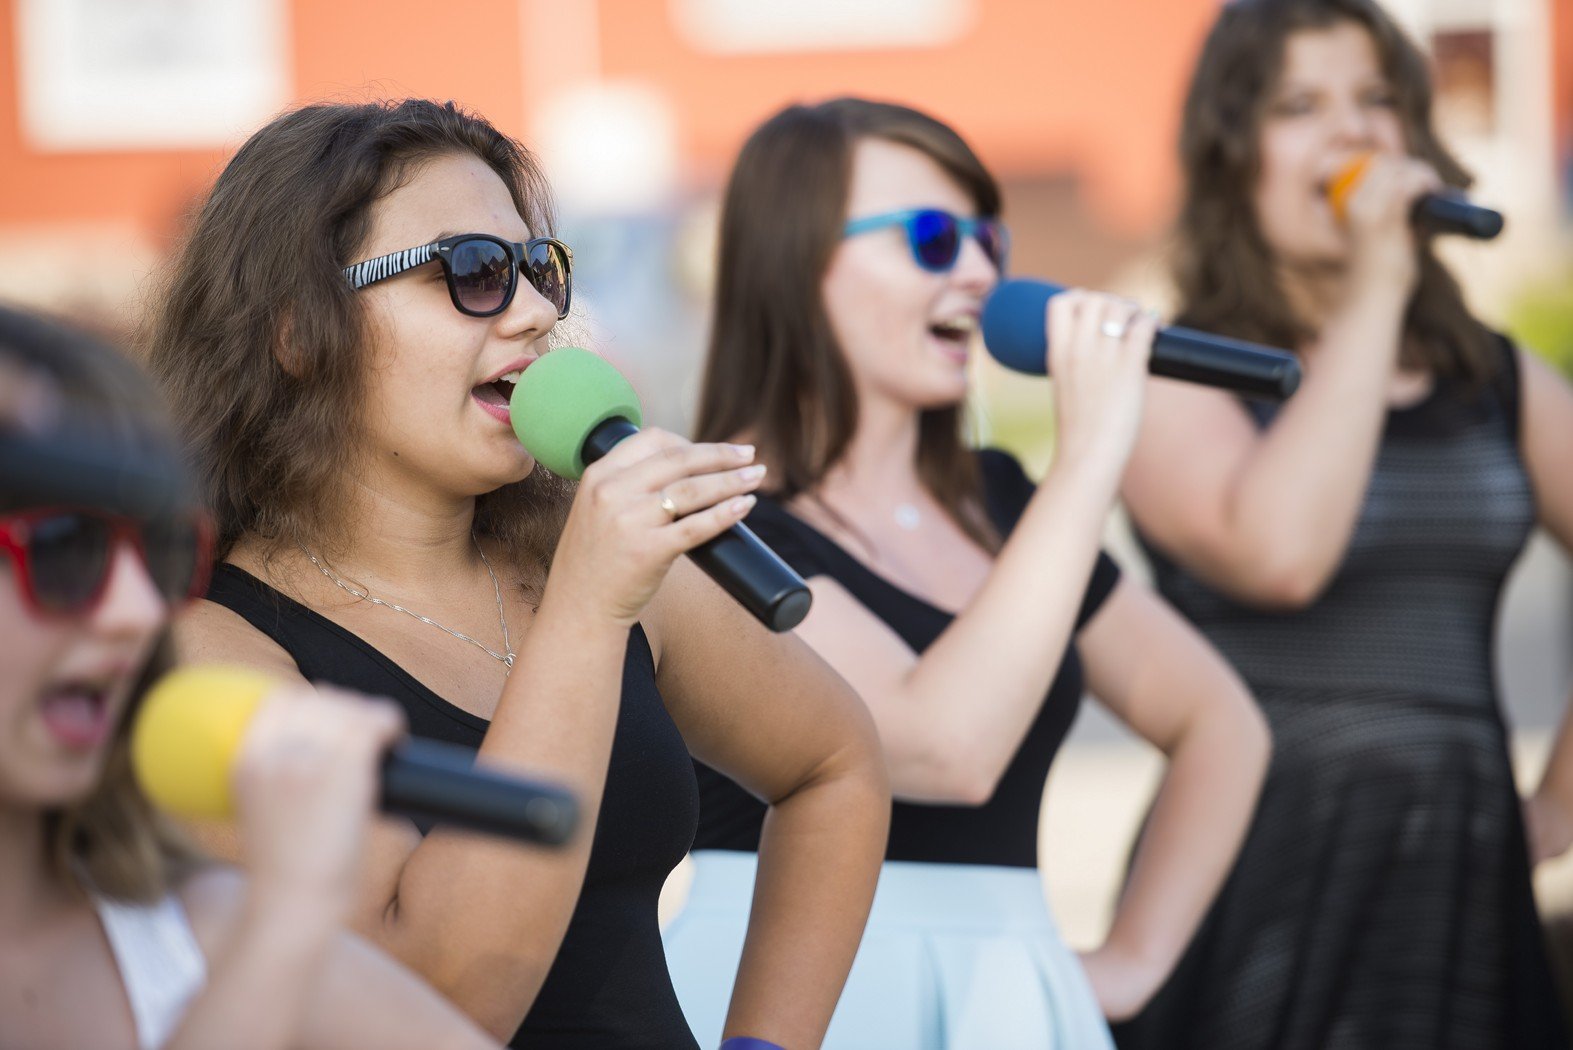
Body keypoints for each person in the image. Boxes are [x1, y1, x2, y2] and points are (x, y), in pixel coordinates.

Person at [146, 98, 889, 1050]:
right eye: (473, 272)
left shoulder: (590, 563)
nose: (538, 313)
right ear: (296, 333)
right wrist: (584, 615)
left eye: (541, 268)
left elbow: (835, 765)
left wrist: (763, 1044)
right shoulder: (207, 653)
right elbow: (440, 1000)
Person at [664, 97, 1271, 1049]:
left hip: (1008, 989)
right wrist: (1087, 460)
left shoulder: (1004, 506)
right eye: (933, 239)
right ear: (794, 259)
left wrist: (1134, 959)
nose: (982, 273)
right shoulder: (718, 519)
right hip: (786, 990)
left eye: (990, 240)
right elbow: (943, 751)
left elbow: (1220, 724)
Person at [1111, 1, 1573, 1046]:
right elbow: (1279, 557)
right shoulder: (1176, 370)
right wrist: (1375, 291)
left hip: (1462, 890)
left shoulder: (1490, 381)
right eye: (1300, 106)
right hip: (1259, 885)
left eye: (1374, 100)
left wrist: (1556, 803)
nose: (1352, 131)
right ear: (1232, 156)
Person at [0, 304, 497, 1050]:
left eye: (161, 553)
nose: (139, 609)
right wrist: (286, 923)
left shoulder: (201, 929)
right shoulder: (259, 937)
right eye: (66, 549)